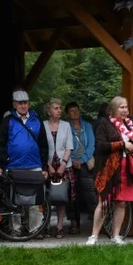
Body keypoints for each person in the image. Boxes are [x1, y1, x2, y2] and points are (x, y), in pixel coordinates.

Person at [0, 89, 49, 237]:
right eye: (20, 103)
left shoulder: (37, 121)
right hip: (13, 166)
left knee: (35, 200)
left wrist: (44, 167)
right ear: (14, 104)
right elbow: (0, 144)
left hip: (34, 165)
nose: (23, 106)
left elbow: (44, 145)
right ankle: (15, 230)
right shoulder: (8, 121)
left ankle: (35, 230)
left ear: (29, 104)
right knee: (13, 201)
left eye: (25, 103)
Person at [86, 95, 133, 246]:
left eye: (126, 107)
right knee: (104, 202)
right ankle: (94, 236)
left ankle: (116, 235)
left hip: (125, 169)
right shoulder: (104, 124)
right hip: (108, 169)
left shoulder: (129, 125)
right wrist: (122, 144)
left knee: (121, 203)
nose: (125, 110)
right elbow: (101, 145)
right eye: (121, 107)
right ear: (113, 109)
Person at [43, 98, 73, 237]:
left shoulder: (66, 125)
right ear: (49, 111)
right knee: (46, 196)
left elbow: (69, 146)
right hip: (48, 164)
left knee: (61, 196)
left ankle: (60, 226)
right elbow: (41, 148)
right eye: (56, 108)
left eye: (60, 108)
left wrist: (63, 165)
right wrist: (48, 166)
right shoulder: (42, 125)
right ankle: (46, 225)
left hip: (63, 165)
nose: (59, 110)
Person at [65, 101, 97, 235]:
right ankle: (74, 222)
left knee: (90, 193)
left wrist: (82, 160)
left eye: (76, 110)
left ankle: (97, 222)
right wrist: (72, 161)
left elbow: (91, 145)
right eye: (71, 110)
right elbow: (64, 145)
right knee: (71, 195)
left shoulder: (87, 126)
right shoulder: (66, 127)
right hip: (70, 165)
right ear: (67, 114)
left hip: (85, 165)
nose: (75, 112)